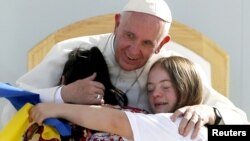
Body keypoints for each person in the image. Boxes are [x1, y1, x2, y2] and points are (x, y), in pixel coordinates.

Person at [11, 0, 249, 138]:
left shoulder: (176, 70)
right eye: (129, 35)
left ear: (163, 44)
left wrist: (209, 113)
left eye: (147, 43)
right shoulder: (70, 51)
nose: (134, 51)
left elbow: (238, 125)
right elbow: (14, 102)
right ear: (117, 23)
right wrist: (63, 95)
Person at [29, 56, 207, 141]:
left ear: (188, 87)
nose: (156, 94)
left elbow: (115, 122)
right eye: (150, 89)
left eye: (165, 87)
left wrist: (57, 106)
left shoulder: (175, 123)